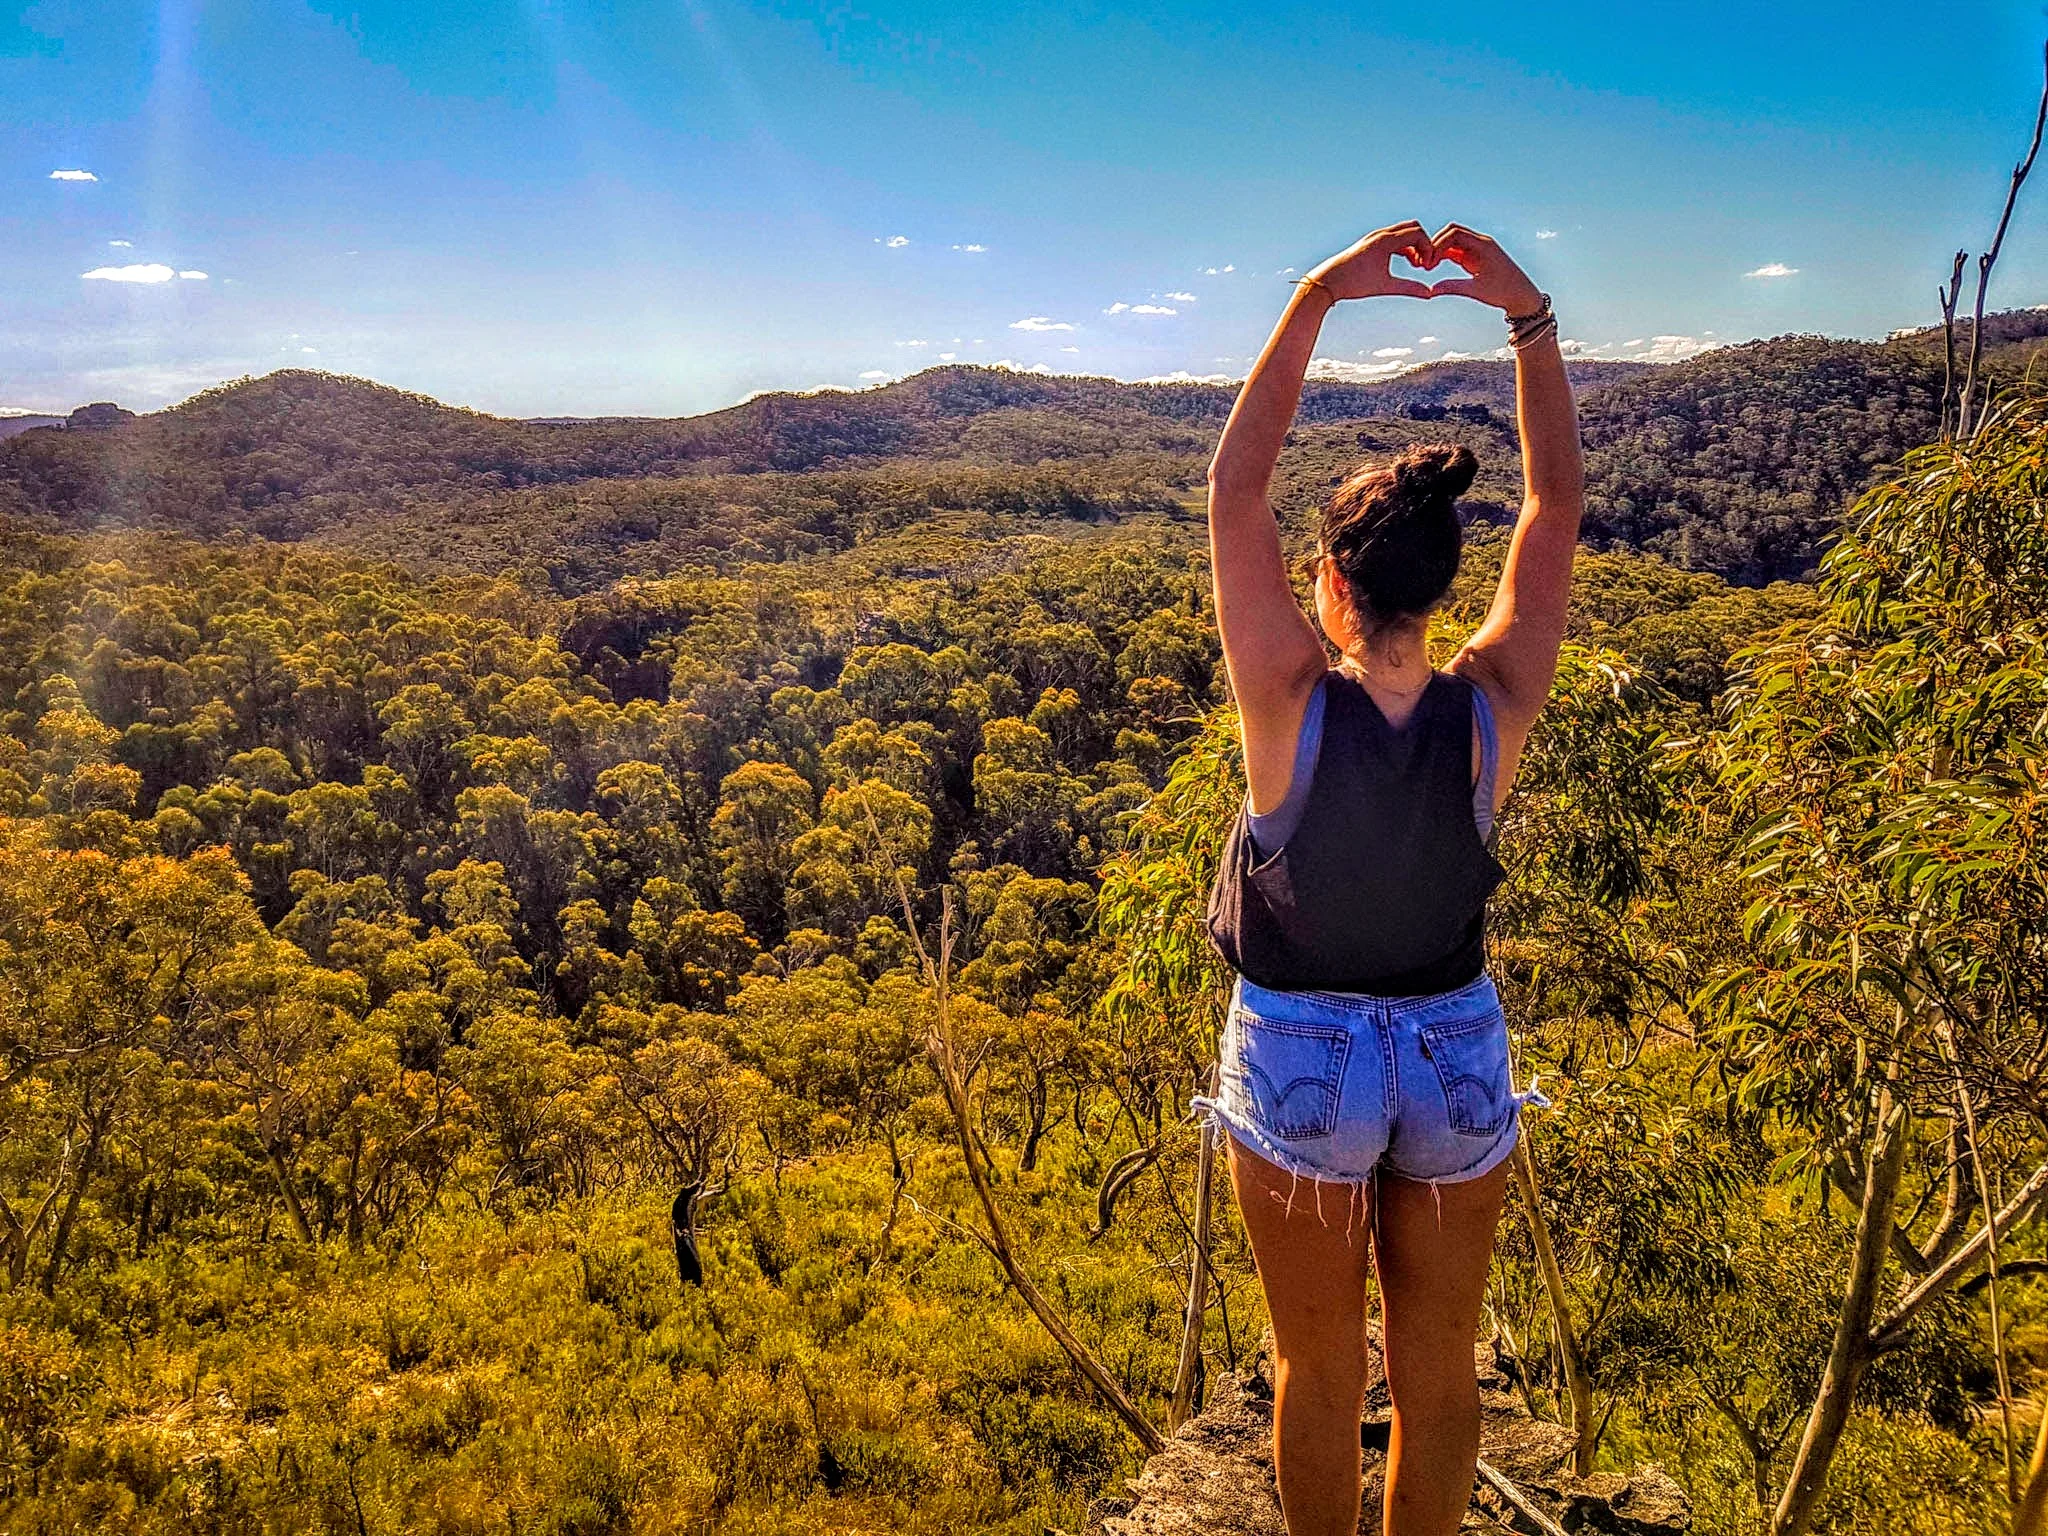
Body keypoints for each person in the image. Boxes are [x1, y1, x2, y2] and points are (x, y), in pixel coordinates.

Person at [1199, 220, 1582, 1536]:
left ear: (1328, 582)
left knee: (1317, 1372)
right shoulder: (1495, 705)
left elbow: (1230, 495)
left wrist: (1318, 291)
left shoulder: (1286, 699)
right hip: (1456, 1048)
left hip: (1302, 1045)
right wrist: (1524, 313)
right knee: (1440, 1369)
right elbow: (1555, 508)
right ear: (1440, 584)